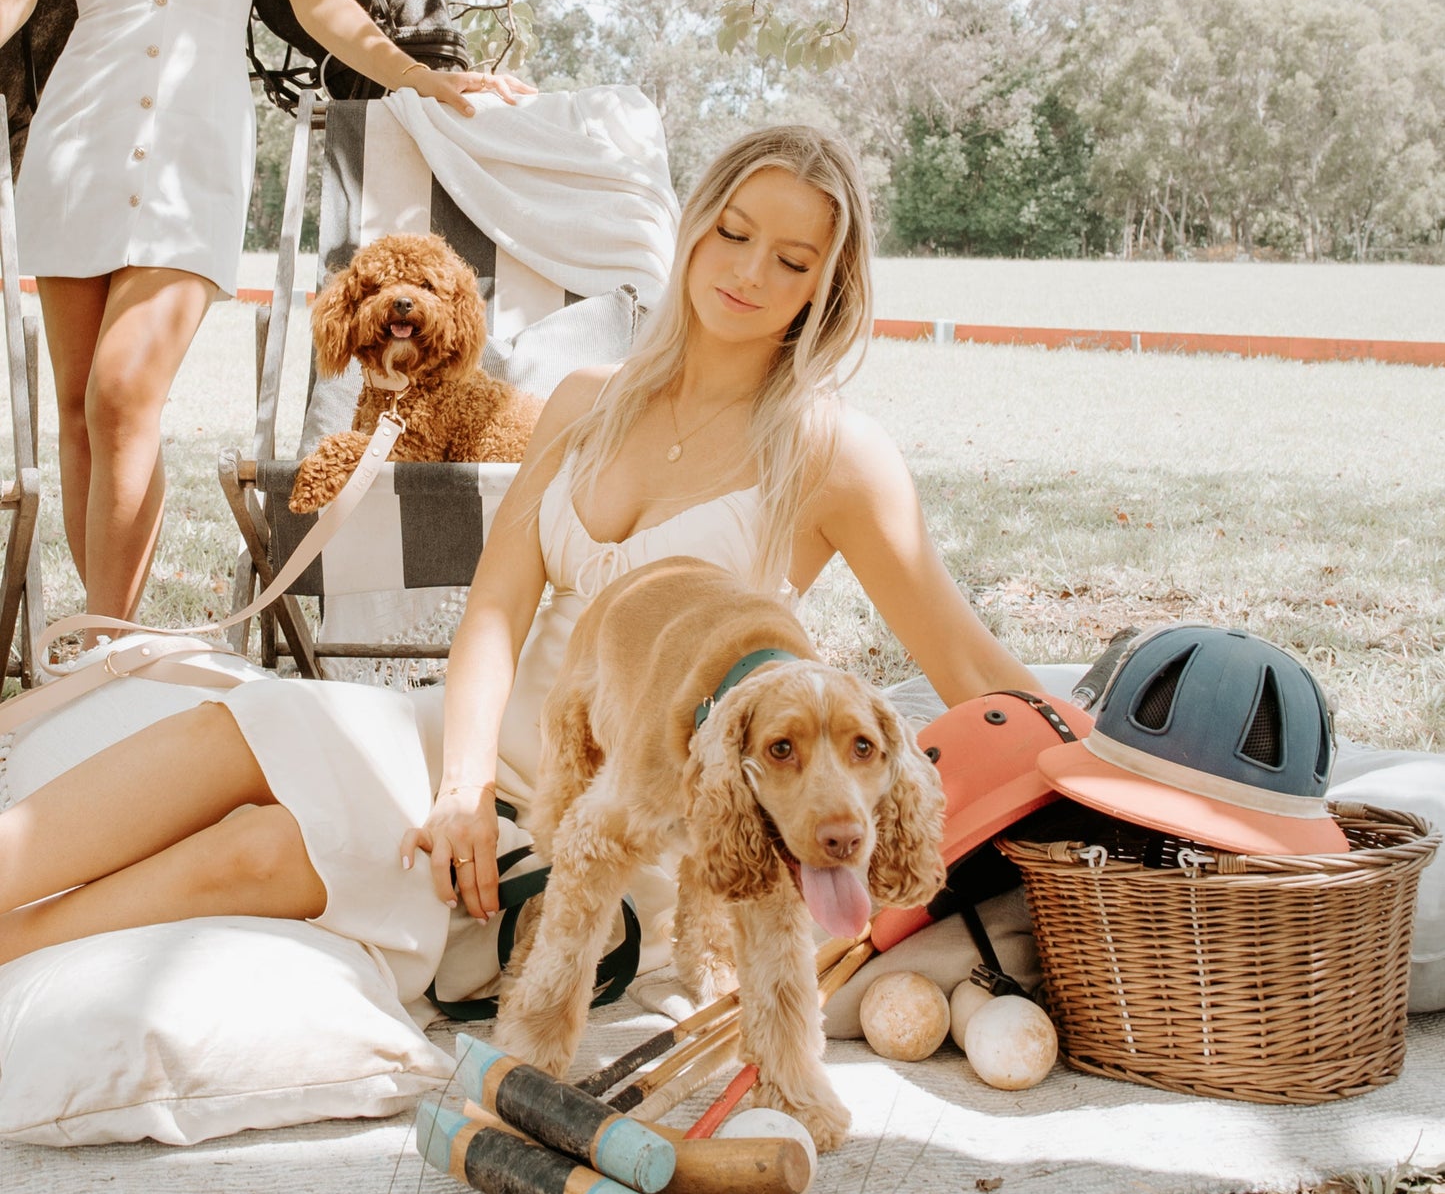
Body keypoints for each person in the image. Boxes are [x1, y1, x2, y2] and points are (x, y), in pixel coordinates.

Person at [0, 123, 1035, 994]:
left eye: (792, 259)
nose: (749, 271)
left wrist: (1114, 770)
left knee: (265, 845)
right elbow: (493, 607)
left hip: (612, 827)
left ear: (824, 286)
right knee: (233, 726)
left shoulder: (829, 450)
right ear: (691, 227)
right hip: (468, 754)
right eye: (731, 232)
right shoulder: (588, 399)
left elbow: (973, 671)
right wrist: (456, 784)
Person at [0, 0, 533, 634]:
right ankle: (106, 640)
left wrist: (418, 76)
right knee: (78, 411)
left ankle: (106, 649)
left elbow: (320, 1)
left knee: (121, 393)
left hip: (195, 148)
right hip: (79, 140)